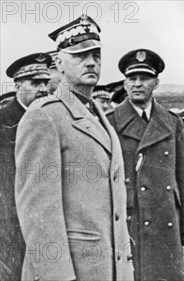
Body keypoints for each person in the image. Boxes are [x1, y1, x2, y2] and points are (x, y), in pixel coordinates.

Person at [14, 15, 134, 281]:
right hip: (73, 272)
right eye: (79, 55)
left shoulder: (98, 116)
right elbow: (38, 213)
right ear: (58, 62)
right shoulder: (43, 117)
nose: (91, 62)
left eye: (96, 55)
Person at [106, 49, 184, 280]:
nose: (137, 84)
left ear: (155, 83)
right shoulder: (109, 122)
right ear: (125, 84)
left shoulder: (172, 122)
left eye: (144, 78)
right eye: (132, 79)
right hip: (130, 217)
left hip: (166, 214)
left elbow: (183, 173)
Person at [1, 52, 51, 281]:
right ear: (18, 85)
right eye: (35, 83)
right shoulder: (3, 122)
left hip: (43, 221)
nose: (42, 89)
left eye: (45, 83)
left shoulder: (50, 119)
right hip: (7, 225)